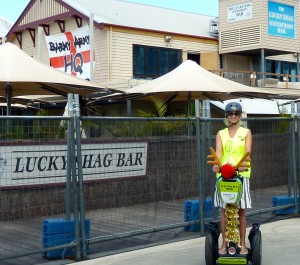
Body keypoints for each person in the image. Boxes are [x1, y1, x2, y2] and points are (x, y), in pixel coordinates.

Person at [212, 101, 252, 255]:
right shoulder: (221, 133)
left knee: (241, 211)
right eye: (230, 113)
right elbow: (219, 153)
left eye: (236, 113)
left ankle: (242, 244)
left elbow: (247, 152)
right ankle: (224, 243)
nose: (233, 116)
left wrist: (243, 165)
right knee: (223, 211)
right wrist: (216, 165)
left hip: (240, 175)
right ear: (227, 116)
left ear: (240, 115)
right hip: (223, 175)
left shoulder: (246, 132)